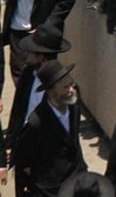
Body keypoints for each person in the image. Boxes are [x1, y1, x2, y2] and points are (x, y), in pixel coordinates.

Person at [12, 60, 84, 197]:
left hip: (74, 181)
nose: (71, 91)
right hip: (49, 190)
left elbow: (73, 142)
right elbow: (24, 163)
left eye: (71, 85)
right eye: (65, 87)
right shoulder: (36, 123)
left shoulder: (73, 107)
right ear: (51, 91)